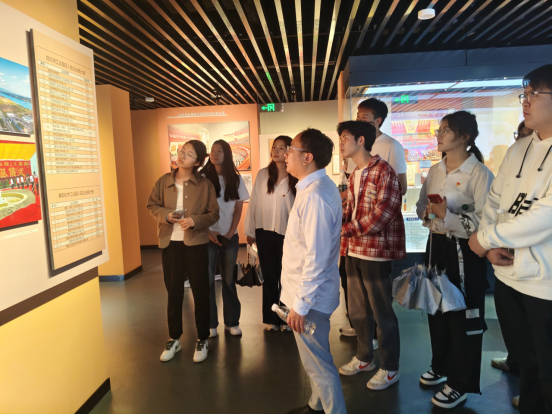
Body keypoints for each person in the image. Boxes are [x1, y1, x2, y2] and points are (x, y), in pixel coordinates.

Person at [469, 64, 552, 414]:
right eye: (525, 94)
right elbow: (494, 200)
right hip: (507, 277)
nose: (526, 102)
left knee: (548, 370)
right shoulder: (519, 149)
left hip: (545, 285)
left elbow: (545, 215)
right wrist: (489, 245)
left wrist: (484, 238)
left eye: (534, 94)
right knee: (526, 364)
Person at [416, 111, 494, 409]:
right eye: (439, 130)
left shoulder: (479, 174)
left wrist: (446, 215)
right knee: (436, 309)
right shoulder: (436, 169)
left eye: (446, 130)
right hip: (436, 246)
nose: (438, 135)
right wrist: (428, 213)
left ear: (465, 137)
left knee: (463, 315)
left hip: (465, 252)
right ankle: (441, 365)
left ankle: (460, 383)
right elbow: (422, 205)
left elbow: (486, 223)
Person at [338, 120, 405, 392]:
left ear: (361, 140)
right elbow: (351, 210)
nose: (341, 143)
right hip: (353, 249)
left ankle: (390, 367)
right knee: (357, 309)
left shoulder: (383, 170)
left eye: (345, 138)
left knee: (381, 311)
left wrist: (346, 229)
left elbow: (384, 212)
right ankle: (364, 357)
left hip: (375, 252)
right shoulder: (354, 173)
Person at [282, 128, 346, 414]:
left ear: (307, 157)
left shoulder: (315, 197)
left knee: (319, 365)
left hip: (311, 300)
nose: (286, 155)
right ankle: (316, 405)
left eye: (291, 150)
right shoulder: (313, 189)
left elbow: (316, 259)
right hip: (311, 295)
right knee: (315, 358)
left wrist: (301, 305)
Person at [147, 140, 219, 363]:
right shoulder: (163, 181)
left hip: (195, 244)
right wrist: (166, 216)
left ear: (198, 162)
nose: (182, 156)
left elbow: (214, 214)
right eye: (181, 151)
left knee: (200, 292)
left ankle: (202, 338)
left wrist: (195, 221)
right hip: (170, 244)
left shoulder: (205, 185)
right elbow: (152, 205)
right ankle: (174, 338)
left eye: (188, 154)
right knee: (174, 293)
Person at [244, 136, 298, 332]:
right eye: (274, 147)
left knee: (287, 278)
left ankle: (287, 318)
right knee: (269, 276)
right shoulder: (263, 175)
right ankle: (271, 318)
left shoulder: (295, 176)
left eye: (281, 148)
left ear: (289, 151)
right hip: (264, 232)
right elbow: (253, 203)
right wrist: (250, 231)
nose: (276, 151)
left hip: (288, 234)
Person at [201, 140, 249, 338]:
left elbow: (238, 208)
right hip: (208, 236)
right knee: (207, 281)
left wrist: (230, 232)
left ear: (227, 154)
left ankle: (232, 322)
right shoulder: (203, 177)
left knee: (229, 280)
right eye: (212, 151)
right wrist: (208, 232)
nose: (215, 154)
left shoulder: (235, 179)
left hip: (230, 236)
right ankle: (211, 324)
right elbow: (198, 208)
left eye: (219, 151)